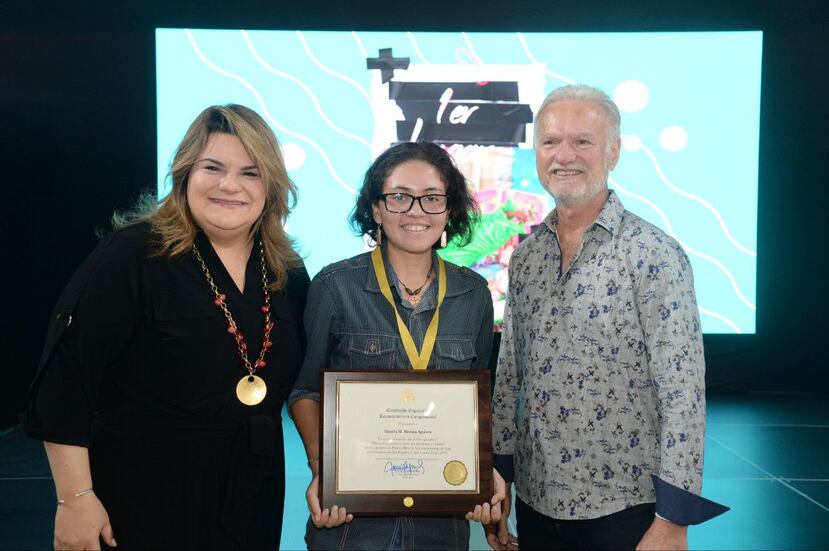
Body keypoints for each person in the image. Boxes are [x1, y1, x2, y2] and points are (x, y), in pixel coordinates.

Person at [22, 104, 309, 550]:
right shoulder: (133, 255)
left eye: (250, 173)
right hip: (142, 494)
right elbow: (66, 377)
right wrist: (74, 499)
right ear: (184, 174)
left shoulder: (286, 272)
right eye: (212, 167)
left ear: (271, 186)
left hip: (252, 494)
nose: (229, 185)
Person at [487, 85, 727, 551]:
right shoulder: (528, 256)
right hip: (536, 504)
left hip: (626, 514)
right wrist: (500, 484)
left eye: (583, 141)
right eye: (550, 142)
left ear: (613, 151)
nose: (564, 156)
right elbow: (511, 376)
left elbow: (683, 392)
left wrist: (673, 520)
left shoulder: (654, 255)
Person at [289, 141, 504, 550]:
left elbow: (478, 404)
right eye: (400, 197)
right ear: (375, 209)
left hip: (439, 527)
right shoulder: (334, 287)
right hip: (351, 525)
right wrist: (324, 471)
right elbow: (304, 392)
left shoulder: (474, 293)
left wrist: (483, 472)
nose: (416, 211)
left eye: (432, 199)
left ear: (449, 210)